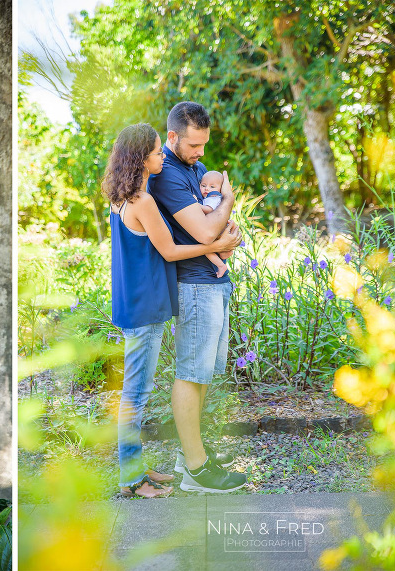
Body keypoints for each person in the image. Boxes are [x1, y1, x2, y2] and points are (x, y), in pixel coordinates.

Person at [103, 123, 242, 499]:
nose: (161, 155)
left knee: (138, 391)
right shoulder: (143, 202)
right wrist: (218, 242)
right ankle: (131, 480)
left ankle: (136, 468)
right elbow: (169, 251)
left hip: (134, 302)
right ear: (140, 159)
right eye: (154, 152)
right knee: (136, 395)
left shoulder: (122, 198)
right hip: (146, 306)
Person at [148, 101, 248, 493]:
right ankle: (196, 468)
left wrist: (223, 225)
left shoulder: (198, 169)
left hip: (213, 281)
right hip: (192, 284)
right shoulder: (167, 174)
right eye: (194, 145)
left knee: (203, 374)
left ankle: (187, 456)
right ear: (172, 137)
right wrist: (228, 202)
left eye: (205, 144)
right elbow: (207, 233)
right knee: (191, 373)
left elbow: (216, 226)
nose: (201, 153)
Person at [199, 170, 232, 278]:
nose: (207, 189)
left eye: (212, 186)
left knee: (206, 249)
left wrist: (194, 204)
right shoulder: (213, 197)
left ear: (220, 189)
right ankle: (225, 253)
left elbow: (208, 209)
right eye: (203, 185)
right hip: (219, 226)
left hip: (217, 228)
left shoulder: (214, 197)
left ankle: (221, 265)